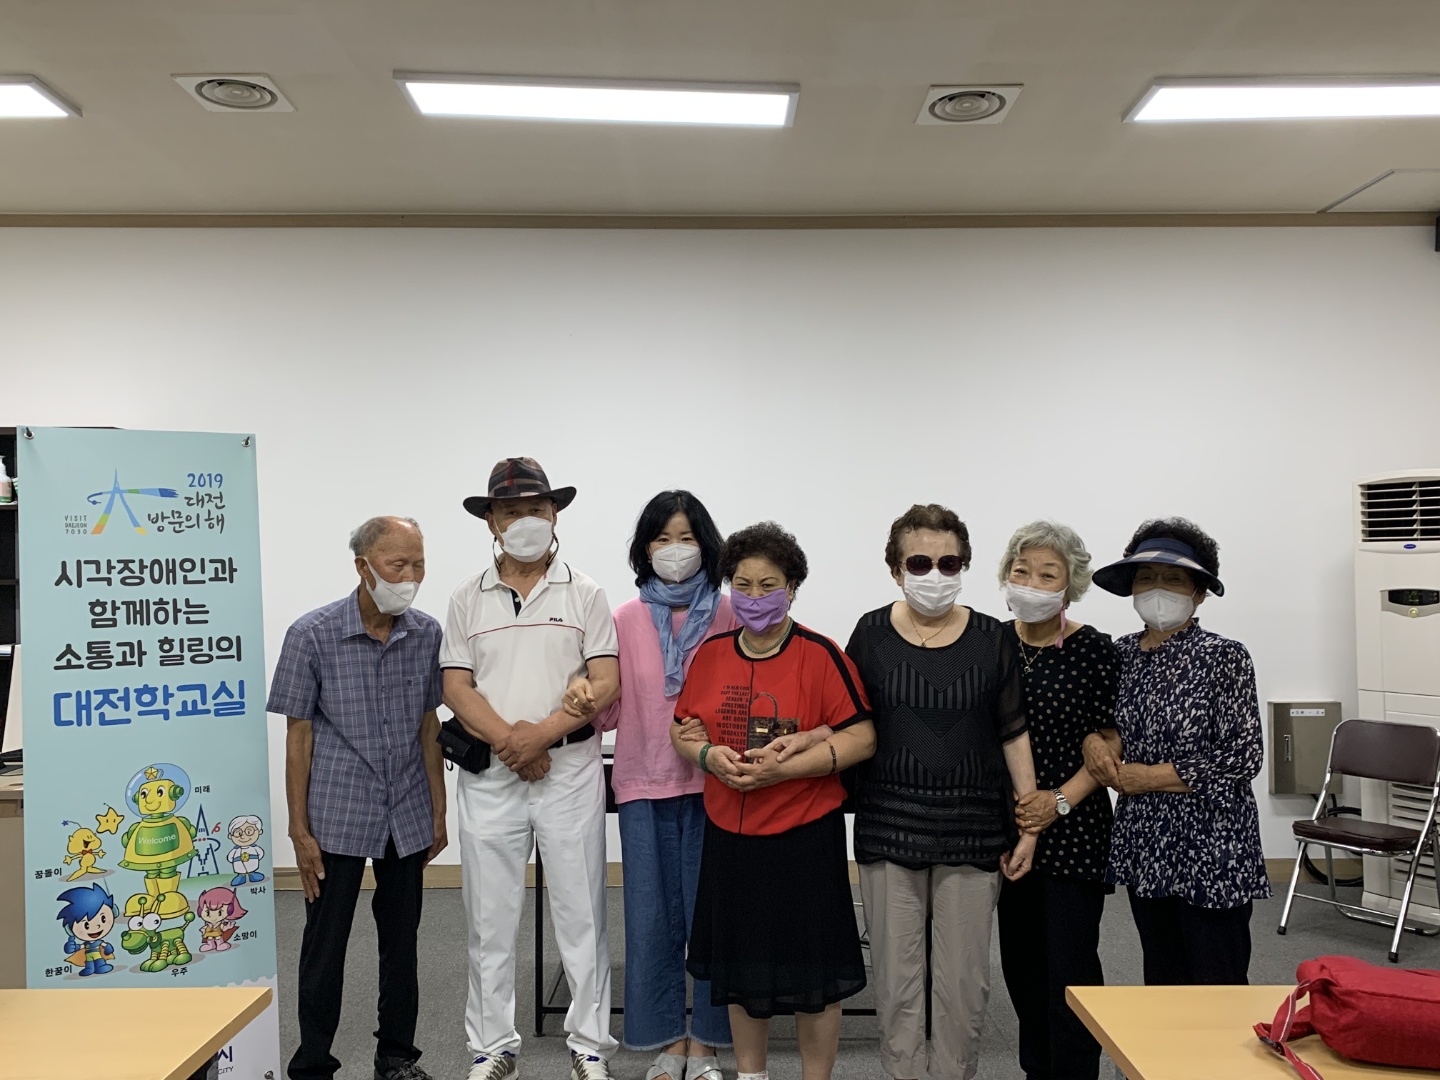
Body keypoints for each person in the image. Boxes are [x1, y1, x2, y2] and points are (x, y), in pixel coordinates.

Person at [671, 521, 875, 1080]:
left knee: (817, 976)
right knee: (741, 971)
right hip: (731, 839)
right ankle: (751, 1075)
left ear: (792, 588)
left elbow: (861, 738)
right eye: (743, 585)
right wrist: (707, 755)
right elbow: (682, 729)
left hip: (804, 837)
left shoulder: (821, 654)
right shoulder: (711, 654)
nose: (755, 597)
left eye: (769, 585)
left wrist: (786, 770)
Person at [440, 457, 621, 1080]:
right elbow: (456, 686)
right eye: (511, 512)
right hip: (491, 776)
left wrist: (540, 735)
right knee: (489, 920)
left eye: (536, 510)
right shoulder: (466, 598)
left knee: (582, 914)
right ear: (491, 522)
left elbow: (605, 679)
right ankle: (493, 1048)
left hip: (568, 772)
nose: (525, 521)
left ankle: (590, 1046)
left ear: (555, 515)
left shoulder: (585, 592)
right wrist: (512, 743)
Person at [844, 503, 1038, 1080]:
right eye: (919, 562)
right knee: (896, 981)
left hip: (973, 832)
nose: (934, 573)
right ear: (895, 569)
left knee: (963, 984)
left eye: (948, 562)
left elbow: (1013, 732)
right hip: (889, 828)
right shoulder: (870, 634)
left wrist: (1029, 825)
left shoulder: (993, 638)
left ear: (965, 566)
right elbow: (849, 726)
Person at [268, 516, 447, 1080]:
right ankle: (313, 1064)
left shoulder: (427, 634)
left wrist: (439, 811)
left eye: (419, 564)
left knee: (402, 942)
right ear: (363, 567)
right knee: (326, 943)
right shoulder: (311, 634)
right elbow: (298, 736)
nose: (410, 576)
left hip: (407, 809)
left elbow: (429, 726)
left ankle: (397, 1056)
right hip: (336, 812)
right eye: (398, 564)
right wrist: (298, 829)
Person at [1084, 518, 1268, 986]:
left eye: (1174, 579)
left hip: (1212, 839)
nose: (1157, 589)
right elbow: (1105, 726)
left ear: (1199, 592)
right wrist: (1095, 742)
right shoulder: (1120, 654)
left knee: (1217, 978)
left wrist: (1150, 777)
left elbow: (1243, 755)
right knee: (1162, 977)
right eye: (1146, 577)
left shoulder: (1224, 656)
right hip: (1145, 837)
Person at [598, 491, 736, 1080]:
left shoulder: (732, 613)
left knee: (714, 917)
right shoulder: (623, 619)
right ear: (644, 548)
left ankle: (707, 1041)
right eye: (662, 539)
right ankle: (667, 1039)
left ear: (707, 545)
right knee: (650, 918)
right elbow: (607, 707)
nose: (675, 550)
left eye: (686, 538)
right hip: (643, 780)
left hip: (718, 784)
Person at [993, 522, 1119, 1080]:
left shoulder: (1095, 650)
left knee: (1069, 968)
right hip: (1007, 827)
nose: (1032, 583)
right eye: (1021, 571)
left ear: (1070, 585)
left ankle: (1074, 1073)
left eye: (1048, 575)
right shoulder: (992, 643)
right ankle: (1036, 1071)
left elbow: (1110, 743)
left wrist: (1058, 803)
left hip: (1073, 828)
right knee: (1021, 967)